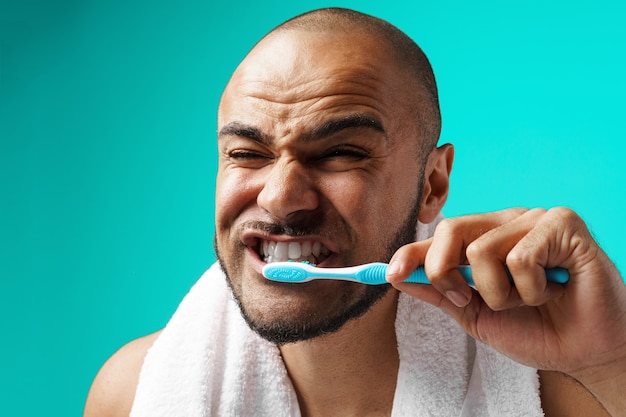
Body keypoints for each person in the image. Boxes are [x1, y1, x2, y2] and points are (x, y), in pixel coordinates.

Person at [84, 7, 626, 417]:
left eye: (341, 153)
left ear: (432, 184)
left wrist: (612, 361)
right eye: (247, 154)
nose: (278, 197)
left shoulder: (570, 387)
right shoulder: (133, 393)